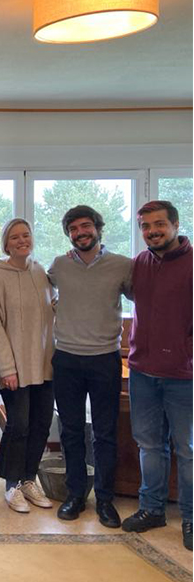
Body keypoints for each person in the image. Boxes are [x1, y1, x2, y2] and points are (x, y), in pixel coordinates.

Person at [48, 206, 132, 528]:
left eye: (86, 226)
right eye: (73, 228)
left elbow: (146, 300)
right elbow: (42, 293)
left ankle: (106, 500)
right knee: (70, 431)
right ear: (68, 233)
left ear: (98, 228)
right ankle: (75, 495)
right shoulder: (58, 266)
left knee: (105, 433)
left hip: (104, 359)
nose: (80, 232)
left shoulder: (122, 265)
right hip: (66, 358)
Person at [120, 200, 192, 551]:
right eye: (145, 226)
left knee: (188, 450)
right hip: (142, 372)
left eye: (159, 224)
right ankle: (152, 510)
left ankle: (191, 520)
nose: (152, 231)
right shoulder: (139, 265)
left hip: (184, 375)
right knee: (149, 446)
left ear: (176, 225)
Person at [0, 218, 55, 514]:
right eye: (15, 237)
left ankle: (28, 478)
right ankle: (11, 484)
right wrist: (5, 368)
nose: (22, 240)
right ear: (6, 244)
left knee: (41, 424)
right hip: (13, 368)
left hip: (44, 364)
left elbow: (51, 314)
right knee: (19, 424)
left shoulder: (41, 273)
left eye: (26, 235)